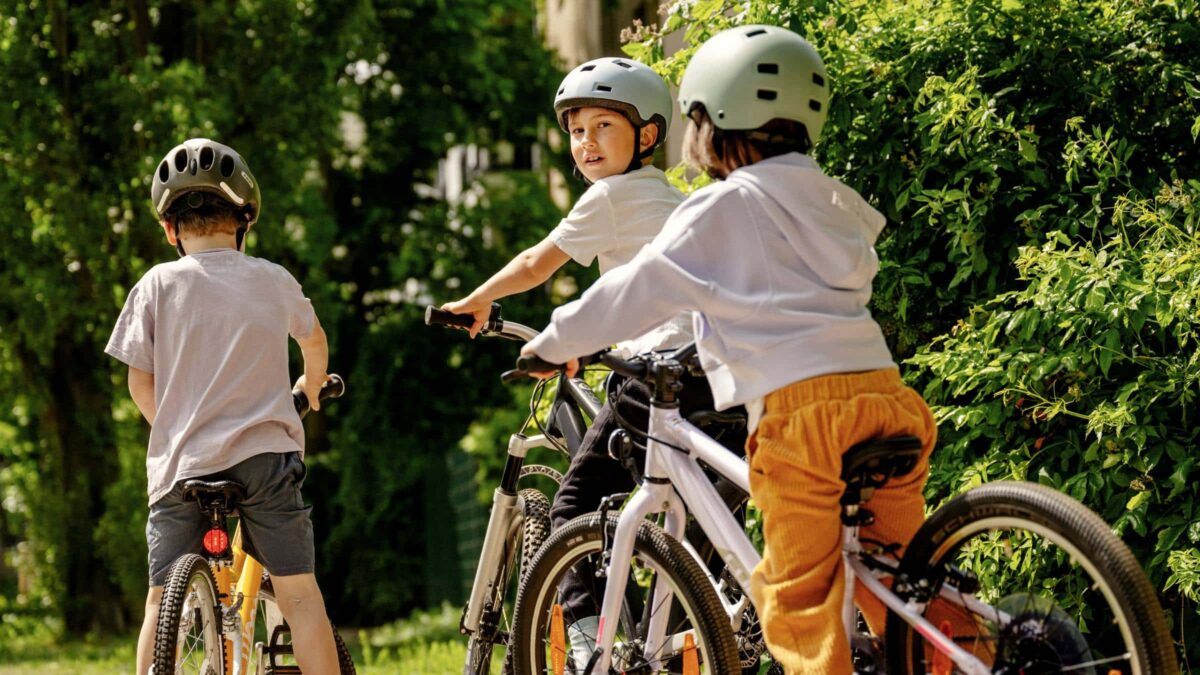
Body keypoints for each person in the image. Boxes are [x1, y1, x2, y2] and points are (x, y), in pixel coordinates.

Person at [521, 25, 938, 674]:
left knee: (799, 603)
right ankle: (975, 656)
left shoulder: (720, 207)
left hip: (803, 414)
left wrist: (552, 343)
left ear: (713, 121)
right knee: (903, 580)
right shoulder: (834, 201)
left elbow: (635, 289)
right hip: (886, 396)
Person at [443, 57, 745, 666]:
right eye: (576, 131)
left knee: (572, 506)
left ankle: (586, 645)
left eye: (604, 126)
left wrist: (478, 301)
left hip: (657, 378)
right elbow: (645, 287)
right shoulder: (674, 199)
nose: (586, 143)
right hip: (721, 375)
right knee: (701, 538)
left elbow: (537, 263)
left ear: (649, 136)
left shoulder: (611, 196)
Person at [107, 139, 341, 674]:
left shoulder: (155, 285)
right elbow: (314, 344)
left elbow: (138, 381)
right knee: (300, 597)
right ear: (244, 220)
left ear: (169, 230)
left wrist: (172, 425)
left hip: (181, 465)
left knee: (158, 601)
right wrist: (309, 389)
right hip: (265, 460)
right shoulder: (273, 278)